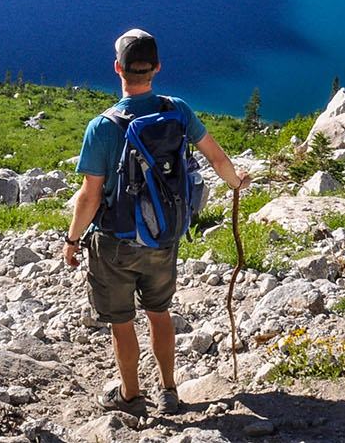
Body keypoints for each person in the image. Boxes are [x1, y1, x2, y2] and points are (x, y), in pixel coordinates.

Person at [62, 28, 252, 414]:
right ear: (157, 67)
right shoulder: (176, 109)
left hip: (114, 240)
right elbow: (216, 158)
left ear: (118, 68)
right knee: (159, 313)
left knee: (122, 322)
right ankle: (169, 390)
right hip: (163, 234)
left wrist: (72, 239)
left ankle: (131, 395)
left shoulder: (102, 126)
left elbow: (90, 195)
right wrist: (236, 183)